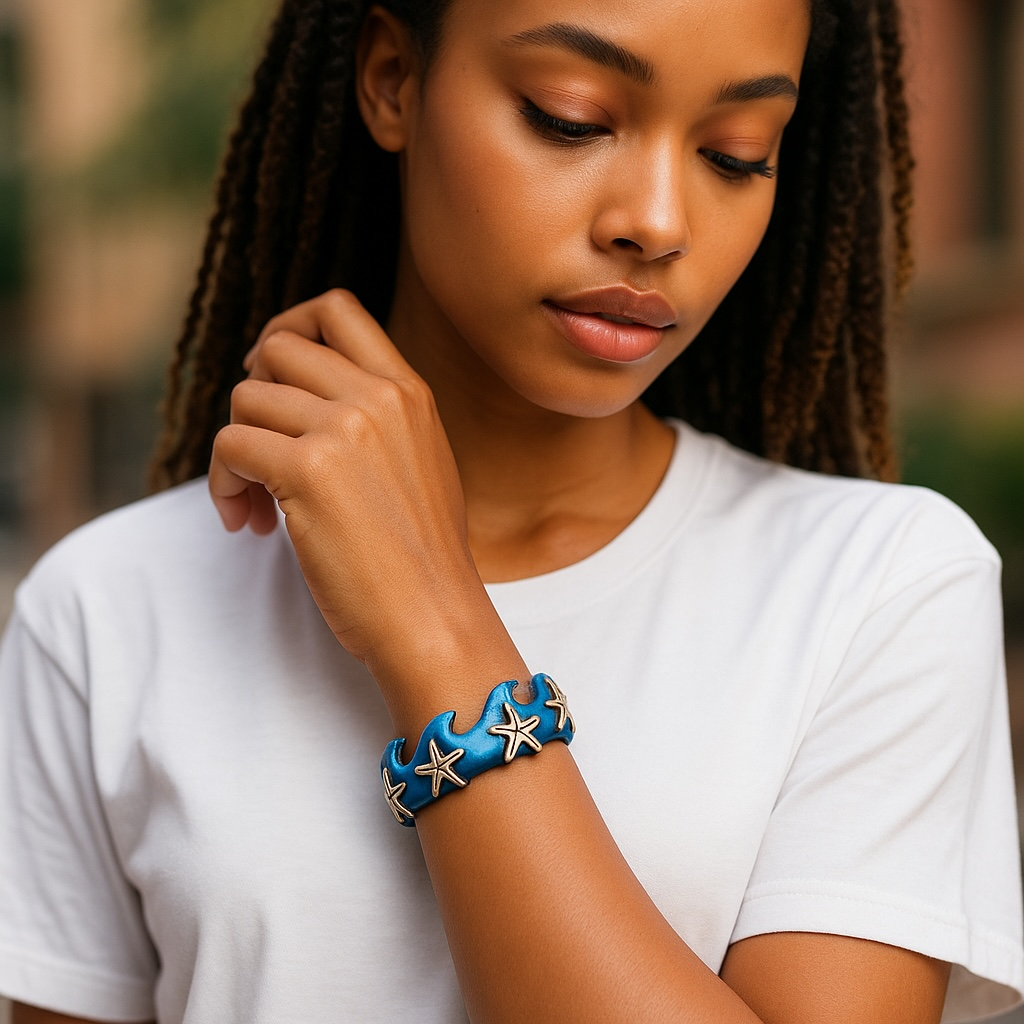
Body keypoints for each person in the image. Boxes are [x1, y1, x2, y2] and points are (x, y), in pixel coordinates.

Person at [1, 0, 1021, 1020]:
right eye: (569, 118)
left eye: (733, 153)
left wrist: (434, 623)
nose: (657, 220)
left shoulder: (877, 589)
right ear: (393, 79)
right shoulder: (109, 611)